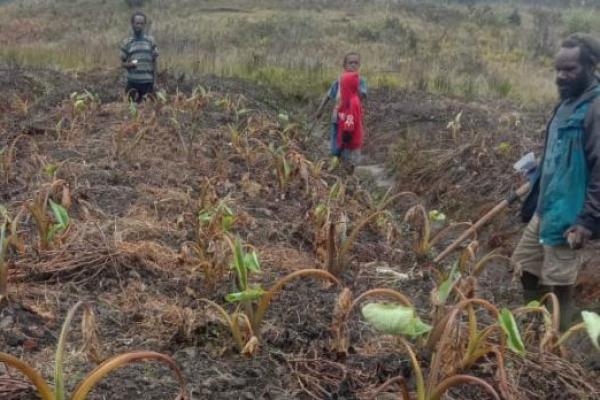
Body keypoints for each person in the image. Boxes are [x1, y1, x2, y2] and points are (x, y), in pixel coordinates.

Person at [513, 33, 600, 331]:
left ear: (591, 66)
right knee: (525, 267)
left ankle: (558, 343)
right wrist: (538, 174)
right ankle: (535, 324)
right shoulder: (565, 105)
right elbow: (558, 152)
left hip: (569, 215)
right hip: (546, 207)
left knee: (560, 285)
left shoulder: (596, 109)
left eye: (570, 70)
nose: (561, 77)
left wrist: (587, 220)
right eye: (558, 69)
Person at [315, 53, 367, 160]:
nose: (353, 65)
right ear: (344, 65)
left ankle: (347, 164)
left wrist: (354, 85)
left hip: (350, 119)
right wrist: (320, 110)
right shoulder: (339, 81)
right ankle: (336, 160)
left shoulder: (360, 81)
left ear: (359, 65)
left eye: (356, 63)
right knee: (336, 144)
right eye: (350, 63)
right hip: (337, 118)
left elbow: (362, 96)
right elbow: (329, 95)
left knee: (349, 142)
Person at [120, 11, 159, 103]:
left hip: (147, 83)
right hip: (132, 82)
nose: (139, 26)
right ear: (132, 24)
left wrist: (155, 81)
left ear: (144, 25)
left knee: (146, 111)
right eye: (137, 23)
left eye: (142, 23)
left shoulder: (150, 41)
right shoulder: (127, 42)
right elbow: (122, 63)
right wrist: (130, 65)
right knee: (130, 110)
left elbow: (155, 62)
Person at [336, 71, 364, 170]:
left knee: (350, 164)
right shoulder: (351, 100)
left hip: (351, 141)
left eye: (343, 86)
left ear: (348, 87)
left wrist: (347, 133)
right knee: (349, 164)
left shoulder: (352, 102)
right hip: (351, 140)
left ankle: (350, 181)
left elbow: (351, 118)